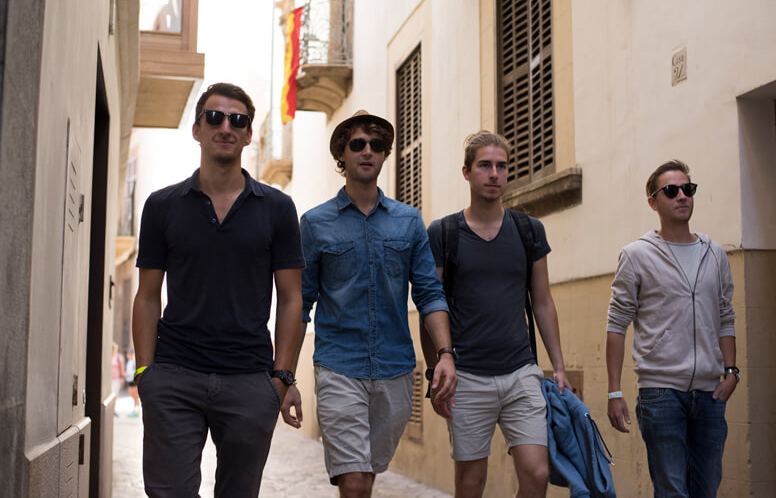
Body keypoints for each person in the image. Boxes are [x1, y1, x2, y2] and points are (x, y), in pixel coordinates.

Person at [131, 82, 306, 497]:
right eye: (214, 117)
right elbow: (147, 295)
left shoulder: (278, 208)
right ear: (197, 130)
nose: (226, 127)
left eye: (237, 120)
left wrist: (281, 377)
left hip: (249, 379)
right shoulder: (162, 205)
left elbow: (291, 299)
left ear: (248, 135)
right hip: (174, 375)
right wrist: (144, 373)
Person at [300, 110, 457, 498]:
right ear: (342, 153)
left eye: (377, 145)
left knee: (367, 475)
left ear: (386, 154)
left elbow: (429, 293)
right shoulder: (315, 223)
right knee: (354, 480)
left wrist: (445, 354)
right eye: (357, 144)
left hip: (394, 368)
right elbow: (299, 301)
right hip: (338, 365)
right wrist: (283, 373)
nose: (367, 151)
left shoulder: (409, 221)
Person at [426, 131, 572, 498]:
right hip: (467, 377)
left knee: (537, 474)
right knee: (471, 485)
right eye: (485, 166)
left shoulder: (528, 230)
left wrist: (558, 366)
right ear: (466, 172)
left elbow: (542, 301)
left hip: (521, 373)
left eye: (502, 166)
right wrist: (435, 372)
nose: (494, 174)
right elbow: (430, 304)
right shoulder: (444, 233)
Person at [606, 159, 737, 497]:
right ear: (653, 202)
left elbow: (725, 315)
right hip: (660, 392)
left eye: (687, 189)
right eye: (671, 190)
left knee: (706, 489)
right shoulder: (637, 255)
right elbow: (617, 324)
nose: (682, 196)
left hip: (710, 393)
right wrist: (614, 392)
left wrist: (731, 371)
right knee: (672, 491)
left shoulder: (715, 254)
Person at [124, 347, 141, 416]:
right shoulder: (128, 362)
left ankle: (136, 408)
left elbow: (134, 371)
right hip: (129, 380)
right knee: (132, 395)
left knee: (135, 395)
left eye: (131, 354)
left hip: (133, 380)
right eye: (129, 354)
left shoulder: (134, 362)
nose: (129, 355)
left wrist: (128, 374)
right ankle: (136, 407)